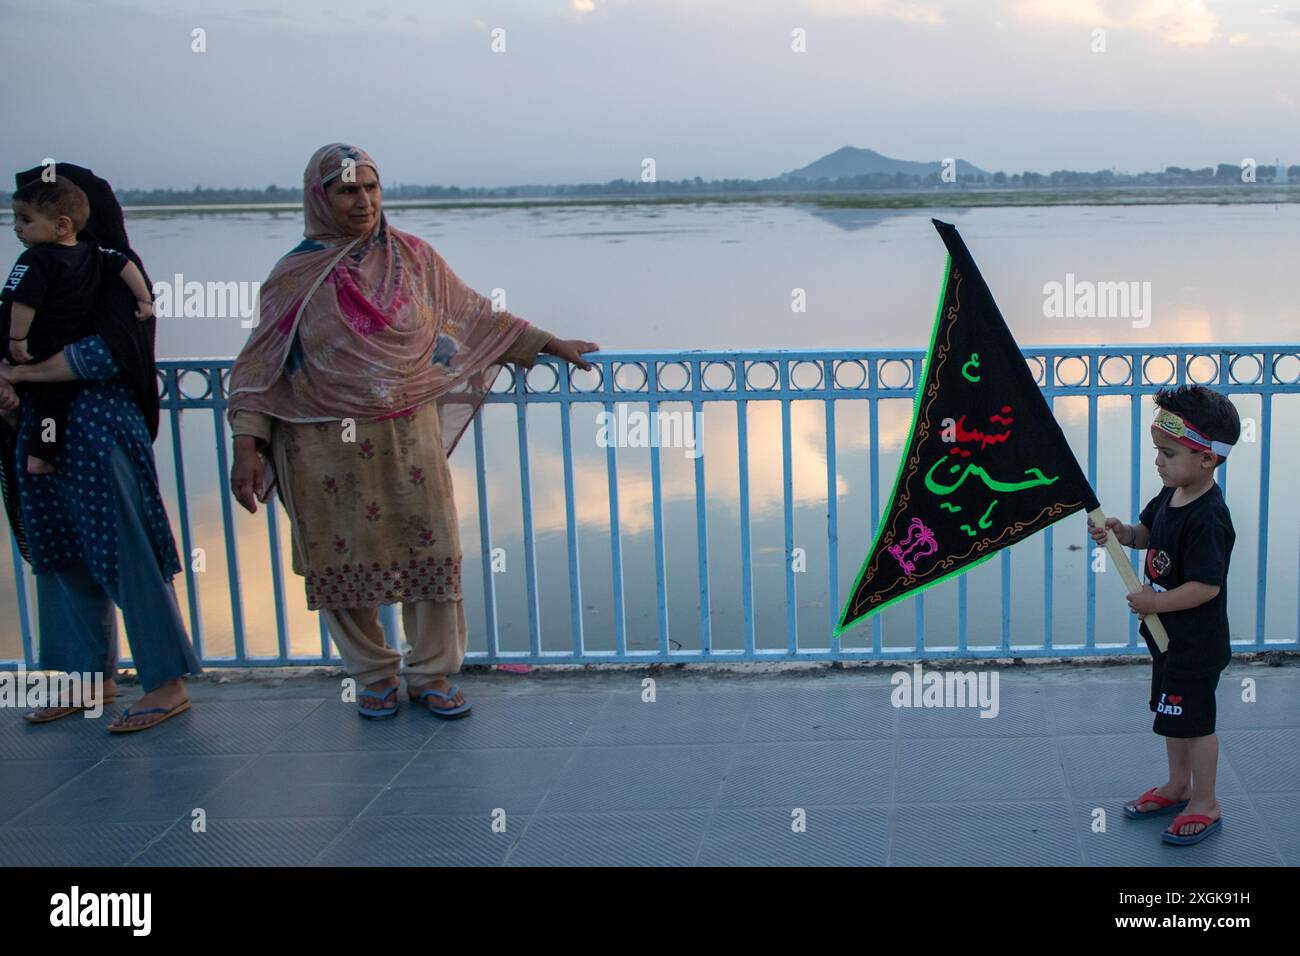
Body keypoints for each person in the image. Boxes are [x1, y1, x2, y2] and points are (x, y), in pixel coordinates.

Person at [226, 143, 598, 720]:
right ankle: (372, 674)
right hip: (321, 446)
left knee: (431, 549)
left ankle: (431, 673)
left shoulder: (414, 260)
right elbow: (259, 364)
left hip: (407, 441)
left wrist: (549, 344)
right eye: (348, 190)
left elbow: (476, 315)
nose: (363, 201)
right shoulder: (294, 276)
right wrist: (246, 442)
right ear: (320, 198)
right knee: (341, 561)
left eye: (371, 188)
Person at [0, 162, 201, 732]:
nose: (21, 226)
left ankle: (166, 681)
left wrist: (23, 376)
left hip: (101, 429)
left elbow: (106, 353)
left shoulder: (116, 274)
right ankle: (85, 679)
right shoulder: (38, 274)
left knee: (124, 551)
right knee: (59, 551)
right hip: (41, 432)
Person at [1088, 383, 1240, 845]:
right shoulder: (1169, 496)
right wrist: (1121, 532)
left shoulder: (1210, 517)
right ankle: (1177, 786)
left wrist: (1155, 602)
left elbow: (1205, 587)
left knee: (1197, 725)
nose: (1158, 461)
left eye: (1168, 453)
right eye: (1157, 450)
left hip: (1196, 641)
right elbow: (1146, 534)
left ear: (1207, 459)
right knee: (1173, 716)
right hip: (1165, 636)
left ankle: (1205, 802)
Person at [3, 177, 155, 473]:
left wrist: (17, 355)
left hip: (100, 439)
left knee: (50, 404)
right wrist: (145, 300)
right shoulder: (94, 256)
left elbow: (22, 303)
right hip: (60, 415)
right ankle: (40, 456)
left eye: (25, 219)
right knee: (51, 405)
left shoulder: (36, 260)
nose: (16, 227)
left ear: (62, 224)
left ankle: (40, 455)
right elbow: (125, 265)